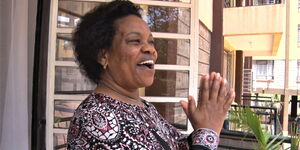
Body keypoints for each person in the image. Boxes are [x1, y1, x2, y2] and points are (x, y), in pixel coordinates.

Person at [67, 0, 235, 149]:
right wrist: (208, 134)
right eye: (135, 40)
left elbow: (176, 146)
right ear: (103, 55)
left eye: (151, 41)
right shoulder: (95, 119)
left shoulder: (145, 107)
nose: (151, 49)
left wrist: (203, 129)